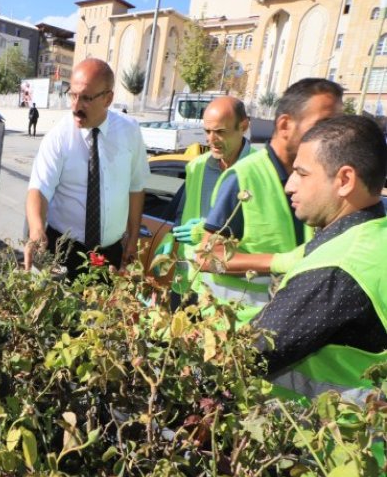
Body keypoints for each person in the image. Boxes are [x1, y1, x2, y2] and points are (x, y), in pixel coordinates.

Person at [252, 115, 387, 403]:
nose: (290, 185)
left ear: (345, 180)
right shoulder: (374, 238)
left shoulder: (338, 268)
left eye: (301, 173)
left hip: (318, 443)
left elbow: (247, 355)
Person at [195, 78, 343, 311]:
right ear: (285, 125)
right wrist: (278, 262)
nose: (333, 136)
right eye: (323, 124)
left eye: (337, 125)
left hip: (289, 324)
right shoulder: (245, 177)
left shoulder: (317, 177)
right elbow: (206, 257)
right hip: (240, 329)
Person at [24, 58, 149, 280]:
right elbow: (39, 189)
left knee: (100, 313)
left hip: (109, 253)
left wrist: (132, 240)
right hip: (63, 251)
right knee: (58, 312)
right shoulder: (59, 136)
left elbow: (136, 187)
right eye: (72, 95)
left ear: (108, 98)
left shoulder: (130, 132)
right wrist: (35, 230)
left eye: (86, 98)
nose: (76, 106)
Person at [166, 96, 254, 296]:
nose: (211, 140)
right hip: (189, 282)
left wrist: (207, 232)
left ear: (244, 126)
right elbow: (182, 216)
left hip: (228, 292)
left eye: (220, 132)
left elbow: (263, 235)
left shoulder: (260, 170)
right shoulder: (197, 166)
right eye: (207, 131)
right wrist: (171, 237)